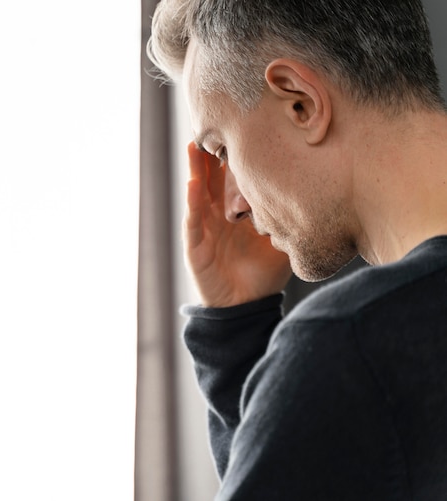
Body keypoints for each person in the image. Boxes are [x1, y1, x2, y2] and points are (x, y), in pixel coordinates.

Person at [146, 0, 447, 499]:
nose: (233, 206)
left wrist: (234, 336)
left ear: (300, 102)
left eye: (222, 149)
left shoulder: (349, 348)